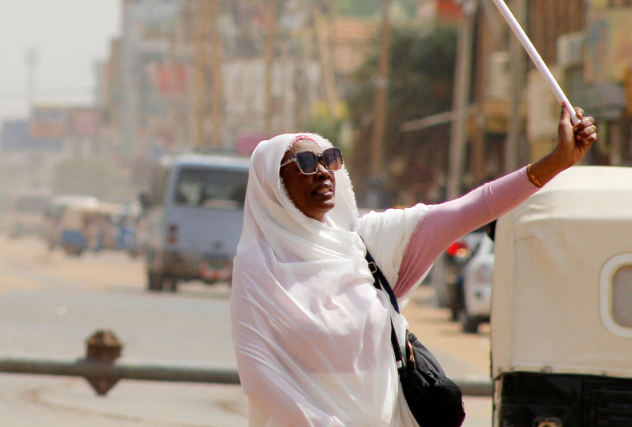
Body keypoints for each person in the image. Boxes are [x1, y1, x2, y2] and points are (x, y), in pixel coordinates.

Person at [230, 106, 597, 427]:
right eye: (305, 164)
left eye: (329, 159)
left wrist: (558, 160)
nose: (323, 171)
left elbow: (474, 207)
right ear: (273, 186)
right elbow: (260, 375)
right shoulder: (258, 267)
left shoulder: (365, 244)